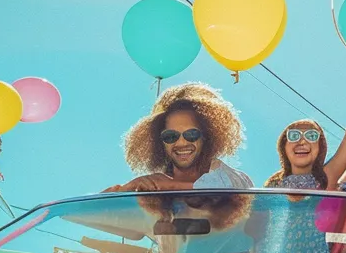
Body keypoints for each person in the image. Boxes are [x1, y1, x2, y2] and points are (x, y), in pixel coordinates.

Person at [264, 60, 346, 190]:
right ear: (283, 146)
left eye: (311, 136)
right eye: (294, 135)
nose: (302, 141)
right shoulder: (273, 185)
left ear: (320, 147)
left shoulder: (326, 178)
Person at [106, 82, 252, 192]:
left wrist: (168, 185)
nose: (181, 142)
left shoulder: (230, 178)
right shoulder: (154, 188)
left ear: (207, 136)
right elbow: (102, 216)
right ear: (159, 142)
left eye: (191, 134)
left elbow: (226, 193)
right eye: (170, 136)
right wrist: (125, 190)